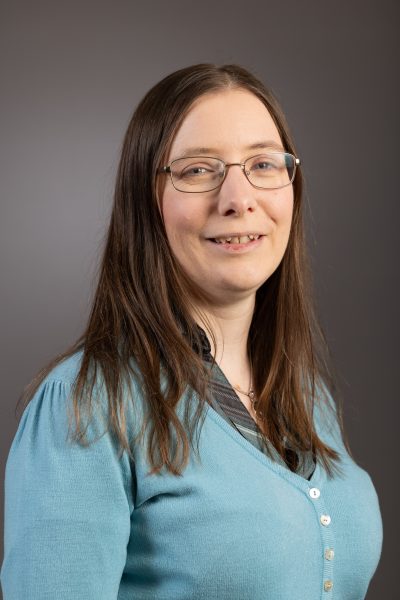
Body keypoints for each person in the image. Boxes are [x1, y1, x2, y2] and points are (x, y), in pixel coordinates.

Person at [1, 64, 382, 599]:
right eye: (199, 170)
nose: (238, 197)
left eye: (263, 164)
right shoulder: (85, 405)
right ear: (145, 201)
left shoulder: (304, 395)